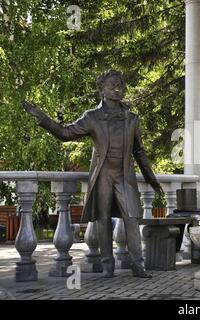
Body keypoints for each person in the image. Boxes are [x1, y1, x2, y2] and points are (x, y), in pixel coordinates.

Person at [21, 69, 164, 278]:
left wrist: (151, 178)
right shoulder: (92, 117)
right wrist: (42, 118)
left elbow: (139, 151)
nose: (117, 88)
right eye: (112, 85)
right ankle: (108, 266)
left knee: (132, 217)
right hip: (103, 173)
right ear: (102, 90)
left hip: (125, 174)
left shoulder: (132, 119)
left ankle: (137, 264)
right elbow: (65, 133)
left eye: (120, 85)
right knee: (103, 219)